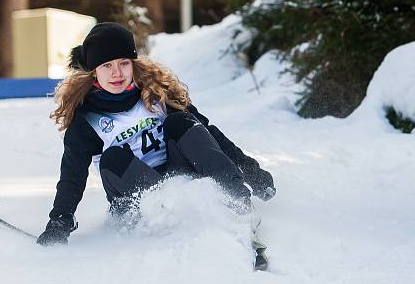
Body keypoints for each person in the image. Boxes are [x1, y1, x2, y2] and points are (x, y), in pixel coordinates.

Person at [37, 22, 275, 246]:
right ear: (94, 72)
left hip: (180, 179)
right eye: (106, 66)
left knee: (182, 122)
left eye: (123, 63)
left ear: (134, 64)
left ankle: (235, 201)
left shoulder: (155, 95)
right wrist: (60, 219)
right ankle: (169, 217)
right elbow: (72, 175)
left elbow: (208, 134)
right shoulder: (86, 121)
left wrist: (250, 170)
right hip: (138, 200)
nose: (116, 73)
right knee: (112, 158)